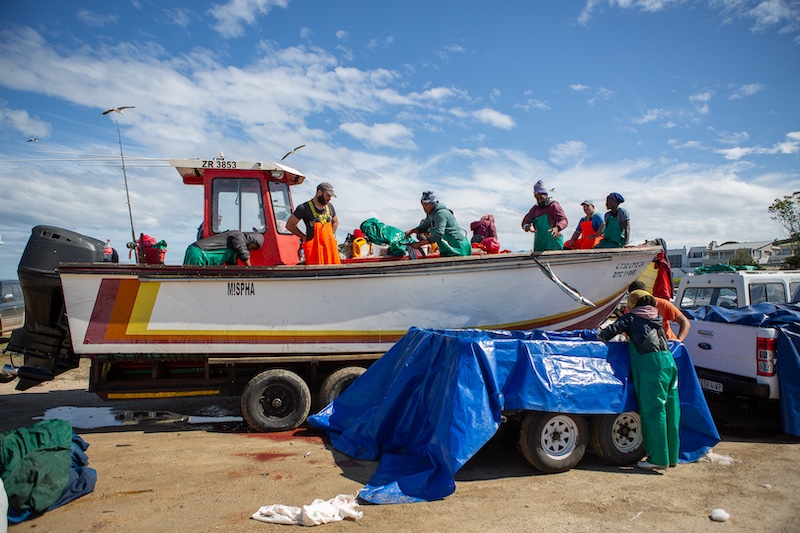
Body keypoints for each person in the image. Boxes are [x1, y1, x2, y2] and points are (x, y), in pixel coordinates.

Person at [599, 290, 680, 471]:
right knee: (671, 410)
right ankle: (672, 456)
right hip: (669, 363)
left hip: (651, 367)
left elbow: (607, 333)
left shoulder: (631, 318)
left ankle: (658, 458)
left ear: (632, 303)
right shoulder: (656, 317)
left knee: (654, 411)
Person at [286, 182, 341, 265]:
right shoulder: (304, 208)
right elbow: (290, 225)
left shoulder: (330, 207)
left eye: (331, 196)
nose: (329, 198)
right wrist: (303, 237)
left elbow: (335, 222)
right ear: (319, 192)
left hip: (329, 249)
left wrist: (330, 236)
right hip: (314, 251)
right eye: (328, 195)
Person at [405, 191, 472, 257]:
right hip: (448, 249)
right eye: (422, 205)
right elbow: (423, 227)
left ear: (432, 203)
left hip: (458, 247)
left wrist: (419, 244)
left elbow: (438, 234)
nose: (424, 208)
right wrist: (412, 231)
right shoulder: (431, 215)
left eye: (426, 205)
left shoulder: (441, 214)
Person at [626, 280, 691, 342]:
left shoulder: (663, 304)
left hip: (667, 345)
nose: (636, 298)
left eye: (639, 294)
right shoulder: (629, 307)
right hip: (644, 347)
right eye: (633, 296)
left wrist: (679, 339)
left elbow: (684, 322)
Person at [521, 180, 568, 251]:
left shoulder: (553, 206)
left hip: (554, 243)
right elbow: (525, 221)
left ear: (546, 195)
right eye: (537, 198)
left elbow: (564, 220)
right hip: (540, 244)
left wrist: (557, 228)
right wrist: (527, 226)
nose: (539, 200)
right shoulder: (534, 209)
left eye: (541, 198)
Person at [183, 230, 264, 266]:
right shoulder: (238, 236)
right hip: (199, 254)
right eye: (253, 247)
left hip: (201, 257)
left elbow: (231, 267)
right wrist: (251, 270)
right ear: (251, 241)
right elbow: (243, 253)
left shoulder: (234, 254)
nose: (252, 250)